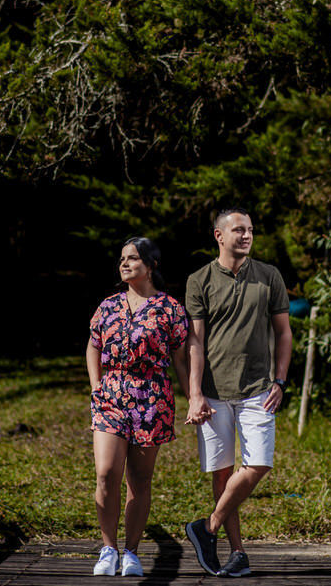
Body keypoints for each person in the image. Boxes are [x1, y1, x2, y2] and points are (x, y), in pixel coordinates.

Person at [183, 207, 293, 577]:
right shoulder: (199, 280)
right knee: (221, 473)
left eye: (250, 230)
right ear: (219, 236)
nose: (246, 235)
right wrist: (195, 393)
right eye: (239, 230)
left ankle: (208, 527)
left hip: (258, 390)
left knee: (258, 463)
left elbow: (283, 333)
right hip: (213, 393)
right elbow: (195, 342)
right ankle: (237, 553)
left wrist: (280, 381)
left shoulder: (269, 276)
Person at [87, 236, 190, 577]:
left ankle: (131, 551)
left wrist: (193, 397)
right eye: (122, 259)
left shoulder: (170, 309)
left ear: (151, 265)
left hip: (152, 399)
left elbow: (179, 358)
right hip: (111, 395)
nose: (125, 264)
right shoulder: (108, 306)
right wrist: (96, 385)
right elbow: (93, 346)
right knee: (106, 474)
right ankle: (108, 548)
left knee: (140, 481)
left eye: (132, 258)